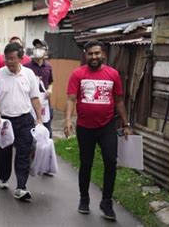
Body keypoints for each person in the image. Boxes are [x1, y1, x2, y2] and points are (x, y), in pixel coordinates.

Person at [64, 40, 132, 220]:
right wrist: (68, 120)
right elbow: (71, 99)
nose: (94, 57)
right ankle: (84, 199)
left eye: (97, 53)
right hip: (85, 128)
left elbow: (119, 101)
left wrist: (126, 124)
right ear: (85, 55)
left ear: (104, 55)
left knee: (111, 162)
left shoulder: (113, 74)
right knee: (86, 163)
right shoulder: (77, 74)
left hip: (107, 127)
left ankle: (106, 202)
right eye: (90, 54)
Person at [0, 42, 43, 201]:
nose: (9, 62)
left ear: (21, 58)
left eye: (13, 58)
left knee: (23, 153)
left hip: (25, 120)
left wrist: (39, 118)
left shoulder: (29, 74)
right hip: (5, 121)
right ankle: (3, 177)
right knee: (4, 153)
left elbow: (34, 97)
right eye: (7, 58)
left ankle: (21, 187)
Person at [24, 39, 54, 137]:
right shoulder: (26, 67)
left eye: (40, 48)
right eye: (36, 47)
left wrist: (50, 89)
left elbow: (50, 82)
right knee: (30, 128)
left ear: (45, 51)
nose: (38, 50)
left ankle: (45, 149)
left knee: (46, 127)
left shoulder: (48, 66)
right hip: (29, 102)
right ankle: (31, 150)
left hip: (44, 102)